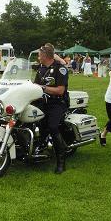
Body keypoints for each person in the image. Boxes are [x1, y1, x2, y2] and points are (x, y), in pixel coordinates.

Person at [34, 45, 69, 174]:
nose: (38, 57)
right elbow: (35, 86)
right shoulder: (41, 69)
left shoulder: (60, 69)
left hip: (57, 103)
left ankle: (61, 161)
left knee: (53, 127)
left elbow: (60, 90)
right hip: (42, 102)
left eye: (39, 55)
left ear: (45, 56)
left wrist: (42, 88)